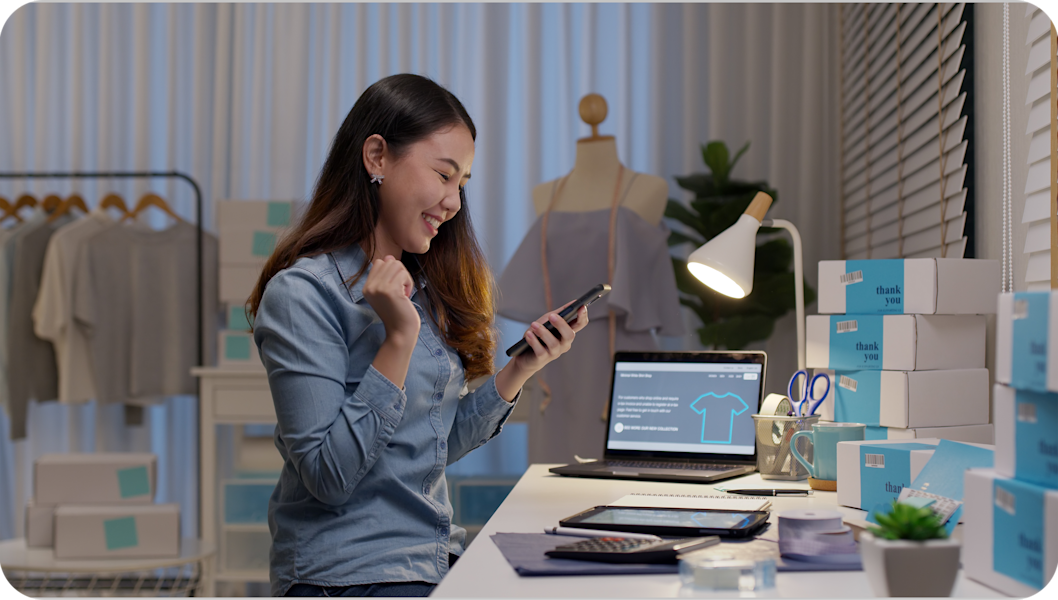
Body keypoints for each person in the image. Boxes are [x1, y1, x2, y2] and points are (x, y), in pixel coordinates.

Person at [246, 73, 587, 597]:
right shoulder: (303, 296)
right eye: (444, 174)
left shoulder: (420, 288)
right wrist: (397, 338)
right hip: (347, 576)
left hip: (429, 561)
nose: (453, 202)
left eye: (463, 184)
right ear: (377, 156)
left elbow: (428, 446)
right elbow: (328, 477)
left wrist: (521, 368)